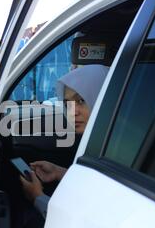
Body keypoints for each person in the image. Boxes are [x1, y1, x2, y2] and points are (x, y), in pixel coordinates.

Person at [20, 64, 109, 217]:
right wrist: (58, 172)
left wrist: (38, 197)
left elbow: (81, 218)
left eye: (81, 100)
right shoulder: (103, 140)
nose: (72, 112)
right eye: (68, 104)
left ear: (103, 97)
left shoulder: (114, 149)